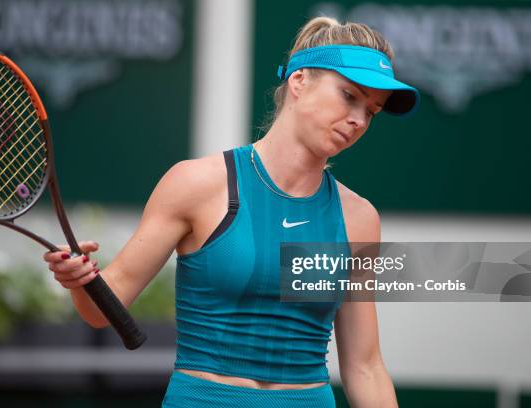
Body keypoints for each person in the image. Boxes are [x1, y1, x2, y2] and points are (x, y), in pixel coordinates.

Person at [43, 16, 419, 408]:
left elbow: (365, 367)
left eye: (372, 111)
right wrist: (81, 281)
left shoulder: (359, 218)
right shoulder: (195, 184)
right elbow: (103, 311)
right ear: (299, 81)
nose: (359, 119)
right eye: (349, 95)